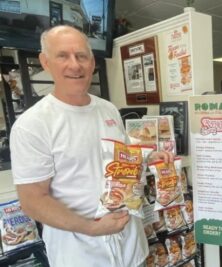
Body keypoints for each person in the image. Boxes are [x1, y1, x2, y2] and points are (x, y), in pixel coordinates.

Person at [9, 25, 173, 267]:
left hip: (129, 245)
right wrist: (91, 229)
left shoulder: (107, 109)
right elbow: (33, 201)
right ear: (45, 62)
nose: (74, 65)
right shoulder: (32, 124)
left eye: (81, 56)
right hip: (81, 253)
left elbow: (123, 155)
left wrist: (149, 158)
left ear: (92, 62)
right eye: (63, 56)